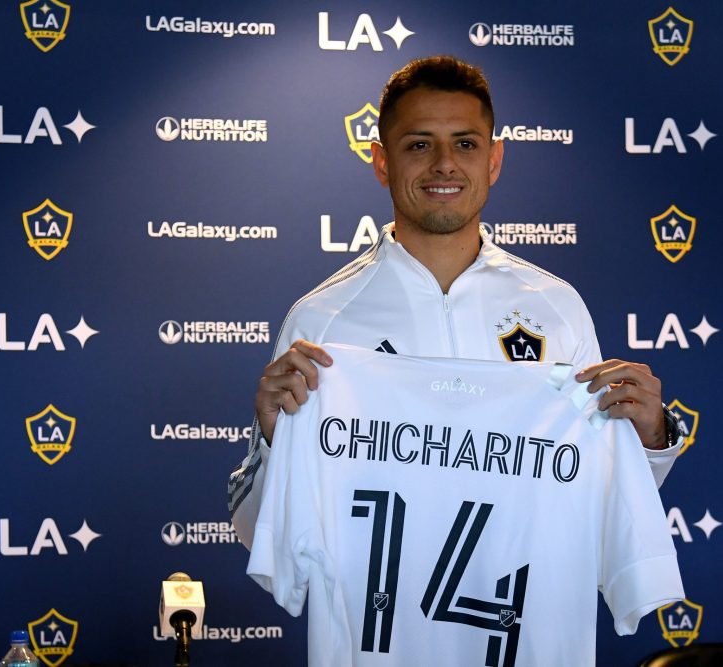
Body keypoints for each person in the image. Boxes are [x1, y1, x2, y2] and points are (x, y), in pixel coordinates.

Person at [228, 55, 683, 549]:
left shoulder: (557, 307)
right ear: (382, 162)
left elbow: (608, 509)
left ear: (494, 159)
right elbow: (259, 539)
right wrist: (276, 441)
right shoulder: (320, 319)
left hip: (527, 621)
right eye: (419, 144)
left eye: (465, 144)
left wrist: (650, 442)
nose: (444, 163)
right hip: (377, 624)